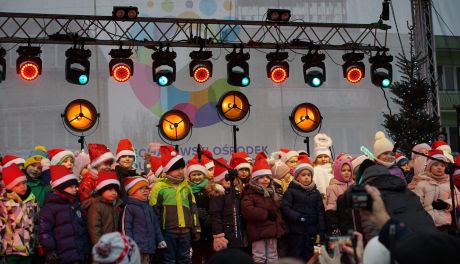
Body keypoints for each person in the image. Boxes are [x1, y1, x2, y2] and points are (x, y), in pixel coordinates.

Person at [358, 163, 436, 243]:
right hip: (430, 238)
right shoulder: (407, 192)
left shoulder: (369, 196)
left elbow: (371, 229)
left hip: (402, 245)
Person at [149, 145, 200, 264]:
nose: (181, 171)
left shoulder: (187, 187)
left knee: (185, 259)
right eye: (177, 169)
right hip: (168, 232)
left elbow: (193, 208)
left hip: (186, 231)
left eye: (182, 168)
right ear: (167, 170)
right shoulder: (159, 188)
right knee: (168, 260)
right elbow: (154, 213)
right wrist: (157, 235)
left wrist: (196, 227)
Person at [38, 165, 91, 263]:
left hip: (79, 254)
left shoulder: (75, 204)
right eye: (71, 187)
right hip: (61, 256)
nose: (76, 189)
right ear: (60, 187)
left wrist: (86, 250)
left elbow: (82, 230)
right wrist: (49, 250)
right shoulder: (49, 207)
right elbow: (44, 231)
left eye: (76, 186)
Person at [241, 152, 286, 263]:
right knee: (259, 256)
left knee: (273, 256)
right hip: (258, 231)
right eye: (262, 177)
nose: (266, 180)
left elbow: (277, 211)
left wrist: (279, 225)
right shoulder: (249, 194)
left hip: (272, 230)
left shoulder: (272, 193)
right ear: (255, 180)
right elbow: (248, 211)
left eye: (268, 177)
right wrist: (266, 214)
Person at [281, 155, 326, 262]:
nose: (306, 177)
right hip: (296, 231)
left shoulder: (316, 193)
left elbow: (320, 213)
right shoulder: (291, 191)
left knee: (310, 256)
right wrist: (298, 217)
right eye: (303, 175)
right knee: (296, 256)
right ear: (297, 177)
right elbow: (285, 208)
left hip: (312, 232)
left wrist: (322, 231)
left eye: (309, 175)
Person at [411, 150, 460, 232]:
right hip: (426, 222)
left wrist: (447, 204)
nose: (439, 167)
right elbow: (415, 202)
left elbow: (458, 197)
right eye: (436, 165)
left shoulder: (449, 183)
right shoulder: (422, 183)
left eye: (443, 165)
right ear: (429, 167)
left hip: (444, 223)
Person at [122, 176, 166, 264]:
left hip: (149, 246)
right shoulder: (130, 207)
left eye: (147, 188)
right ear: (132, 192)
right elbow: (126, 227)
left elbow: (155, 225)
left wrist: (160, 239)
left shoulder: (149, 207)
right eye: (141, 188)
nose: (146, 190)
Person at [0, 164, 38, 264]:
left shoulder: (32, 199)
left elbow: (35, 221)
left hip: (28, 248)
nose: (22, 187)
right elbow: (1, 226)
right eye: (17, 185)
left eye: (24, 183)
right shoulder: (4, 202)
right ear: (10, 187)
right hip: (11, 250)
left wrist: (36, 242)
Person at [208, 157, 247, 251]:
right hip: (225, 232)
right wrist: (218, 235)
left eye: (231, 179)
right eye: (226, 179)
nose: (229, 181)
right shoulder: (218, 194)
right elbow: (215, 215)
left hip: (237, 231)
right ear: (219, 180)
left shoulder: (235, 193)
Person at [185, 158, 213, 263]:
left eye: (199, 174)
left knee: (209, 252)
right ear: (190, 177)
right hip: (194, 225)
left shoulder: (210, 188)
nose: (197, 177)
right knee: (196, 252)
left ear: (204, 175)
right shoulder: (187, 190)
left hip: (208, 226)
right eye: (194, 175)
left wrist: (209, 217)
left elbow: (215, 207)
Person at [84, 171, 123, 245]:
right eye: (110, 190)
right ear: (102, 191)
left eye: (115, 190)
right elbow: (94, 229)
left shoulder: (116, 205)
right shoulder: (96, 206)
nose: (114, 193)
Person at [325, 159, 354, 235]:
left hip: (354, 225)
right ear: (338, 172)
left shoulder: (355, 186)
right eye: (343, 170)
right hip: (341, 225)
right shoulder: (333, 188)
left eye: (349, 170)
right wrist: (334, 226)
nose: (347, 173)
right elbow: (331, 209)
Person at [312, 133, 334, 202]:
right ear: (315, 159)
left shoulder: (333, 169)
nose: (323, 159)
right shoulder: (315, 170)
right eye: (320, 157)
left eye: (326, 156)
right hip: (321, 198)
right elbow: (314, 183)